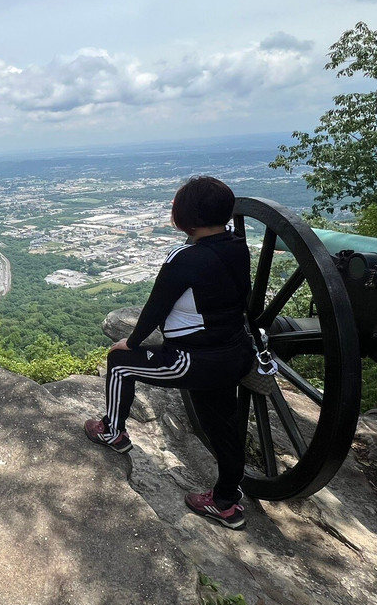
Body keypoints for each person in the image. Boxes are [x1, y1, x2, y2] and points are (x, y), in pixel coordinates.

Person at [83, 176, 254, 529]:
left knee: (119, 363)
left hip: (192, 359)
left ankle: (112, 431)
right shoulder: (238, 245)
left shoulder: (185, 258)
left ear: (184, 219)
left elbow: (156, 307)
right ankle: (226, 503)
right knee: (222, 426)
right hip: (234, 354)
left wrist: (130, 343)